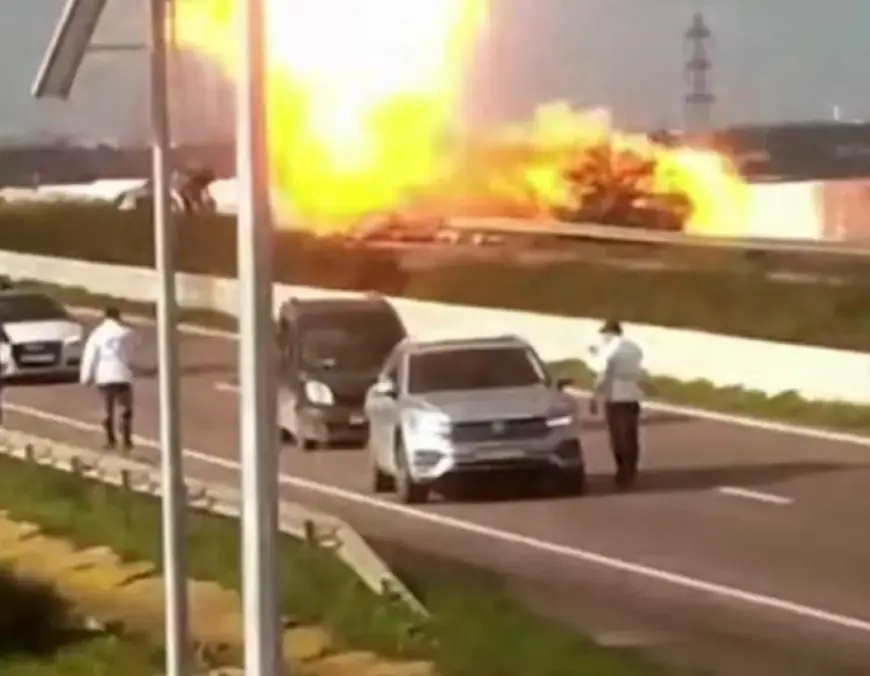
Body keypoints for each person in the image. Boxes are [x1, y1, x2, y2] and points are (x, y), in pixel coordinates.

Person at [588, 320, 644, 490]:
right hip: (633, 396)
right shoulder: (635, 348)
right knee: (631, 436)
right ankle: (631, 469)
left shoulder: (611, 350)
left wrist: (594, 396)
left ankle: (623, 471)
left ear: (611, 334)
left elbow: (603, 373)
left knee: (618, 437)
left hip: (615, 398)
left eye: (604, 334)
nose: (603, 337)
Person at [80, 306, 136, 451]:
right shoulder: (126, 333)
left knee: (108, 409)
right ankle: (126, 439)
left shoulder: (97, 334)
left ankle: (110, 439)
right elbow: (132, 352)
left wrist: (86, 376)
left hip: (104, 376)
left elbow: (90, 356)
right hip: (123, 375)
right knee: (125, 409)